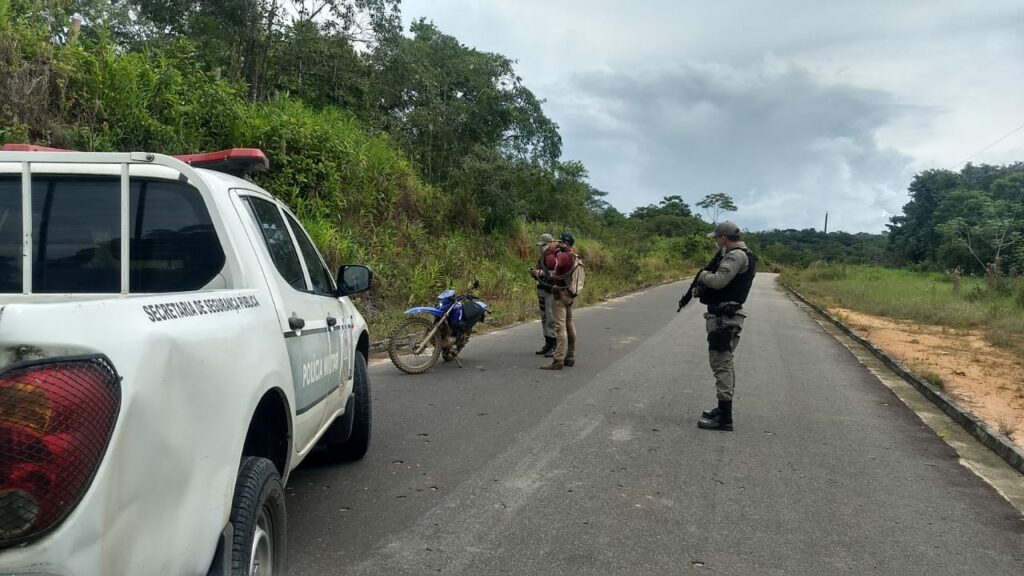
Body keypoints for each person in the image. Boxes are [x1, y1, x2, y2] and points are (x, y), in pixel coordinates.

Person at [693, 221, 756, 431]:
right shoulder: (745, 254)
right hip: (727, 316)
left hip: (724, 319)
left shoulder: (735, 256)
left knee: (721, 363)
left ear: (723, 238)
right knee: (725, 363)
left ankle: (725, 417)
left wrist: (702, 275)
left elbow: (718, 281)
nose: (715, 242)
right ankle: (722, 410)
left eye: (716, 238)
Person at [541, 233, 578, 370]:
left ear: (565, 243)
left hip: (561, 295)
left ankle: (558, 359)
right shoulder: (574, 255)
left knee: (560, 327)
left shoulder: (564, 256)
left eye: (561, 241)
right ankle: (570, 355)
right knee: (569, 324)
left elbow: (551, 264)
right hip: (570, 293)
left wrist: (551, 250)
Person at [529, 233, 559, 357]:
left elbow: (556, 273)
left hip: (550, 290)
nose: (542, 247)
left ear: (550, 243)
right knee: (544, 317)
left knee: (551, 318)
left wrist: (540, 273)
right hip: (541, 289)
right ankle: (548, 344)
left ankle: (554, 345)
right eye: (541, 245)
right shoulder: (542, 256)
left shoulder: (555, 256)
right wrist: (534, 273)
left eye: (544, 245)